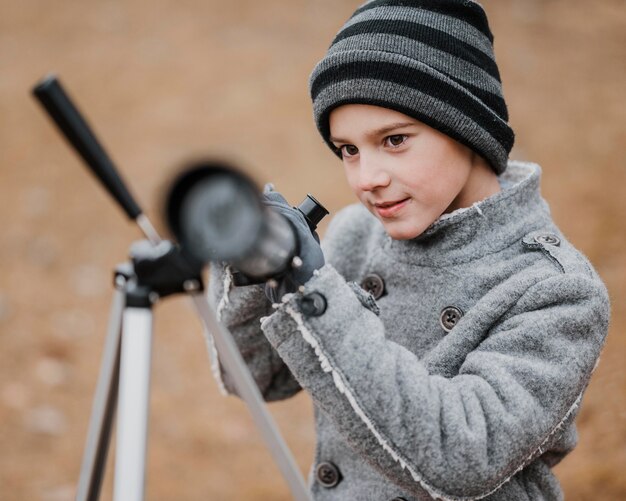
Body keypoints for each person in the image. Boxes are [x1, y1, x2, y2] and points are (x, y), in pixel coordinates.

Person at [207, 1, 610, 499]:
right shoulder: (358, 233)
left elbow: (459, 456)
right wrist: (258, 273)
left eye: (394, 140)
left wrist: (315, 294)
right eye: (348, 150)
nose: (367, 179)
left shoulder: (556, 290)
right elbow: (254, 378)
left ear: (466, 127)